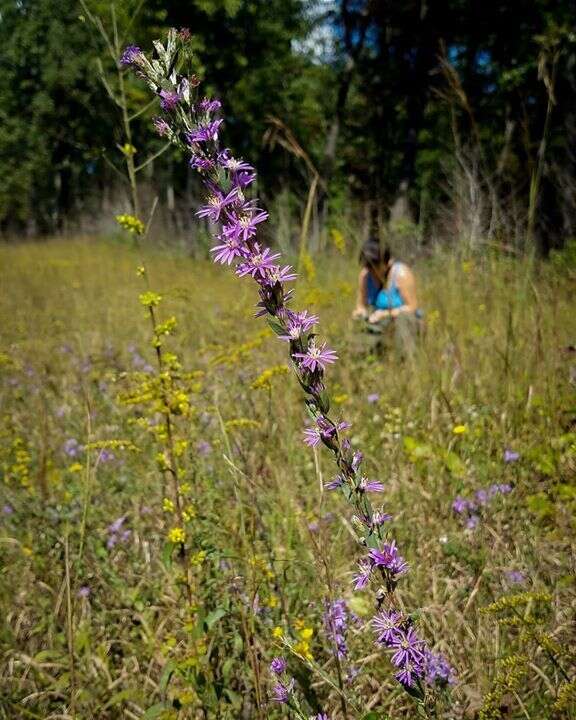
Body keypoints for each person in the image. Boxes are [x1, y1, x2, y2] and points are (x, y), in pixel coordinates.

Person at [352, 238, 421, 355]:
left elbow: (412, 307)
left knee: (403, 320)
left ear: (386, 262)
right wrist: (360, 313)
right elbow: (361, 306)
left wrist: (386, 313)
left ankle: (405, 358)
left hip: (401, 321)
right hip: (378, 322)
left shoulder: (401, 274)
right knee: (359, 326)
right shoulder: (365, 276)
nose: (371, 271)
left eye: (375, 266)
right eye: (368, 267)